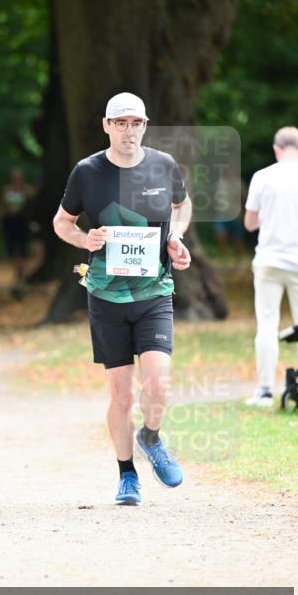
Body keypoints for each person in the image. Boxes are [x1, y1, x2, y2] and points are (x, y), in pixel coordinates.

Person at [53, 93, 192, 507]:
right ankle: (127, 475)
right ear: (106, 126)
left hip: (154, 292)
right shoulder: (87, 171)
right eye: (121, 123)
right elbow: (62, 222)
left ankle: (150, 436)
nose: (129, 131)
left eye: (136, 123)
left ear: (145, 126)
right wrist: (84, 238)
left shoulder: (163, 165)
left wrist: (174, 236)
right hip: (106, 295)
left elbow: (182, 207)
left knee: (158, 383)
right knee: (122, 395)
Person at [243, 126, 298, 407]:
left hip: (269, 261)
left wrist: (268, 217)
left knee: (267, 324)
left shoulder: (262, 177)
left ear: (276, 149)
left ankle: (263, 390)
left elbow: (250, 223)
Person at [0, 167, 35, 295]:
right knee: (12, 249)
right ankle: (17, 271)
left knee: (24, 249)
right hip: (10, 222)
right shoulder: (7, 190)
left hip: (23, 223)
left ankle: (22, 275)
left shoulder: (28, 190)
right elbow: (2, 206)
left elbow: (32, 206)